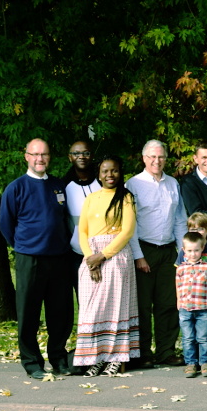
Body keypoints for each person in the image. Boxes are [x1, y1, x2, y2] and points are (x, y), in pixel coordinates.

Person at [0, 138, 74, 379]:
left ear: (49, 157)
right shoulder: (16, 187)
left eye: (44, 154)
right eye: (35, 154)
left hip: (59, 259)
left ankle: (59, 360)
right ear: (26, 156)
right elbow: (5, 224)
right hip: (29, 259)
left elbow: (64, 220)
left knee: (60, 313)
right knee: (28, 313)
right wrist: (23, 246)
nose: (40, 158)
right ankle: (32, 363)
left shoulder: (58, 186)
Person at [74, 155, 140, 377]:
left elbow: (127, 232)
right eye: (105, 171)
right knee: (90, 311)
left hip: (115, 257)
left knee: (115, 308)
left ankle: (115, 358)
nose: (109, 175)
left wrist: (102, 256)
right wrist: (90, 257)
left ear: (120, 173)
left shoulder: (126, 198)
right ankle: (95, 358)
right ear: (98, 174)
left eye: (114, 171)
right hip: (91, 258)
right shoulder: (91, 198)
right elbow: (82, 231)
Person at [127, 139, 189, 368]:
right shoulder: (133, 184)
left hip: (168, 251)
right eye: (152, 156)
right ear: (144, 158)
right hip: (144, 249)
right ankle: (143, 353)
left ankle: (165, 351)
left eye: (161, 156)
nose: (157, 160)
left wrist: (183, 253)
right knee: (143, 306)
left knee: (168, 304)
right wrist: (138, 256)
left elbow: (180, 219)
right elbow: (129, 224)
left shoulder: (173, 183)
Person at [177, 212, 207, 369]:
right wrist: (179, 298)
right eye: (193, 229)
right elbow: (178, 276)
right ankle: (192, 362)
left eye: (201, 229)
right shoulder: (185, 250)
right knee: (189, 335)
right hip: (188, 301)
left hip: (205, 299)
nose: (197, 232)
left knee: (206, 332)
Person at [62, 140, 100, 296]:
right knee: (84, 300)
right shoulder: (63, 185)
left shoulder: (104, 180)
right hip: (76, 253)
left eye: (86, 153)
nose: (81, 157)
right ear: (70, 157)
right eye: (76, 153)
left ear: (91, 156)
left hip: (105, 252)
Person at [175, 232, 207, 378]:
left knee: (203, 337)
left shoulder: (206, 267)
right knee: (188, 338)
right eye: (190, 251)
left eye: (196, 250)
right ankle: (190, 364)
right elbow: (178, 285)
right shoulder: (180, 268)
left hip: (203, 308)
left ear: (202, 248)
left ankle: (205, 363)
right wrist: (179, 300)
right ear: (184, 250)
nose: (193, 254)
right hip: (185, 309)